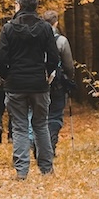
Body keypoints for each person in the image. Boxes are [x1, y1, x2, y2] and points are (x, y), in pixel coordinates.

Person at [0, 0, 59, 179]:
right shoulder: (45, 28)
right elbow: (53, 56)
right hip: (39, 84)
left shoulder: (8, 28)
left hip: (16, 84)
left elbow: (1, 59)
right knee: (41, 124)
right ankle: (46, 169)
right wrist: (48, 74)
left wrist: (7, 76)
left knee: (20, 126)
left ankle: (22, 171)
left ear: (19, 4)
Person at [42, 9, 76, 156]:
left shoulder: (36, 38)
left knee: (40, 115)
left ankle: (39, 146)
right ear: (56, 22)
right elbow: (68, 65)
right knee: (55, 115)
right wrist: (69, 78)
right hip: (57, 83)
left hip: (38, 82)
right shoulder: (61, 41)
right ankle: (50, 147)